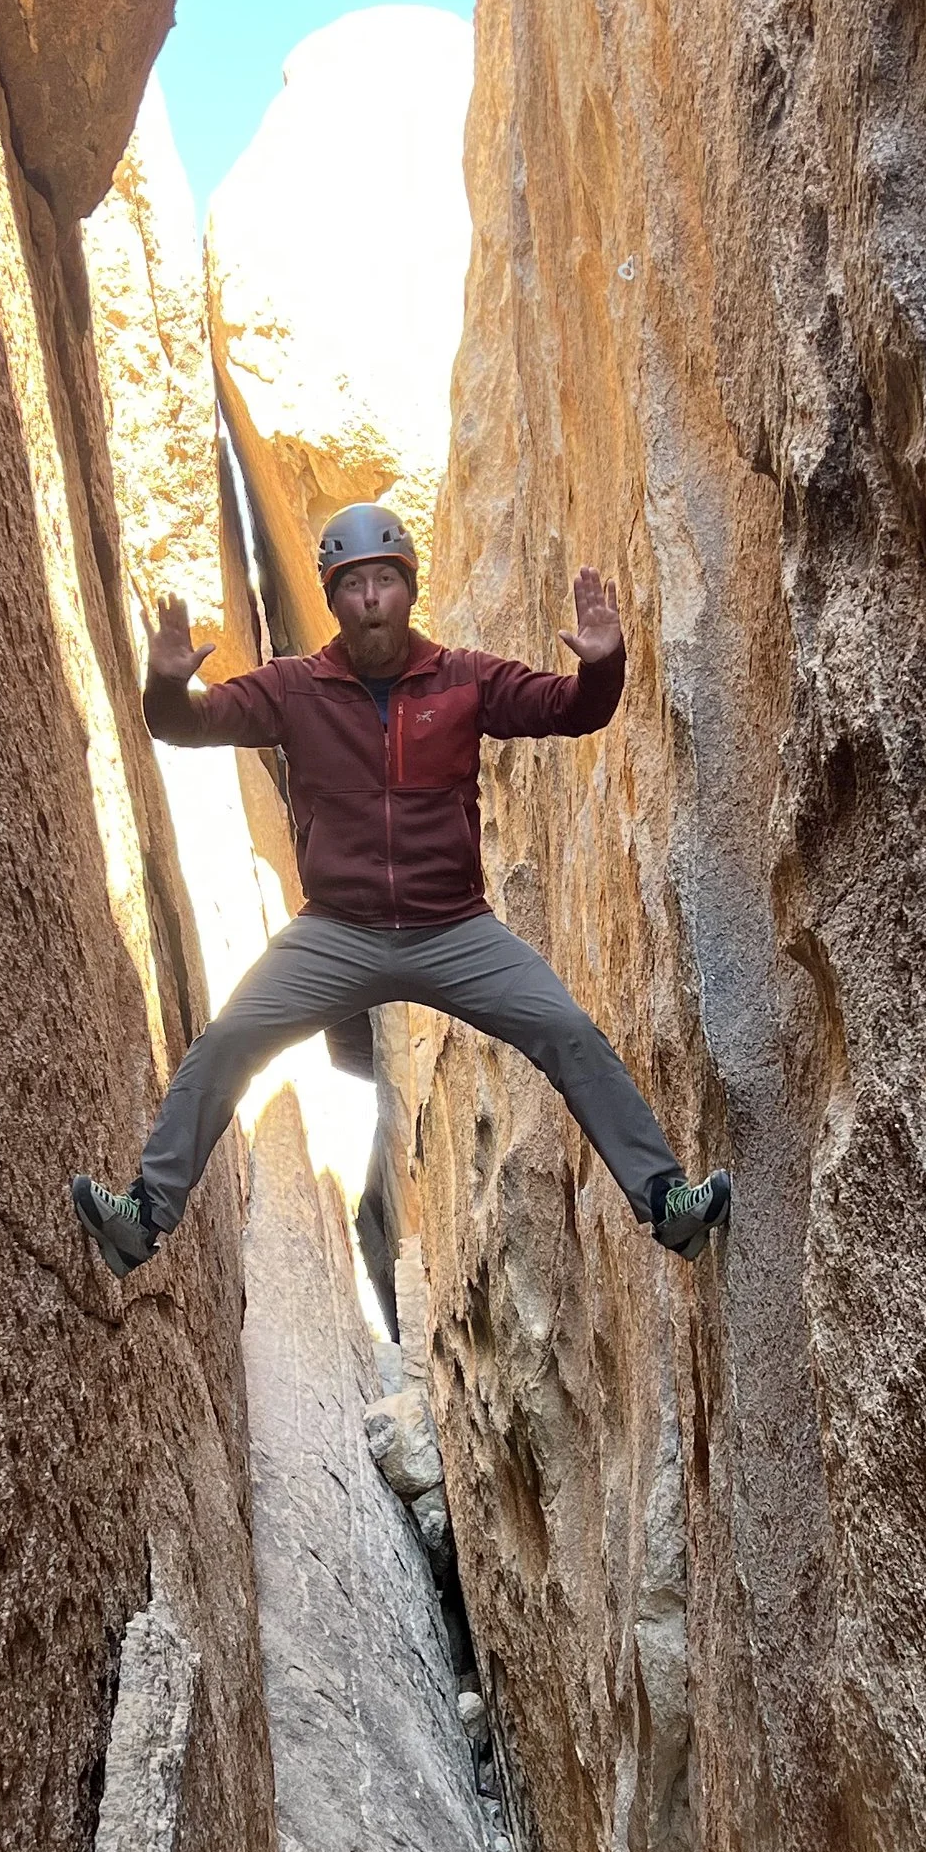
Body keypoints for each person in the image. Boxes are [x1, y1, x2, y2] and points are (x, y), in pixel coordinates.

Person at [70, 503, 731, 1279]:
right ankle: (142, 1218)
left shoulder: (465, 679)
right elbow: (189, 723)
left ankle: (669, 1206)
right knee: (227, 1042)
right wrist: (167, 686)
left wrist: (602, 664)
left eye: (385, 579)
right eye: (354, 585)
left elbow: (572, 710)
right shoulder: (294, 688)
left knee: (564, 1027)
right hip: (337, 930)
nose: (372, 597)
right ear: (332, 599)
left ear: (408, 589)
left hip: (451, 927)